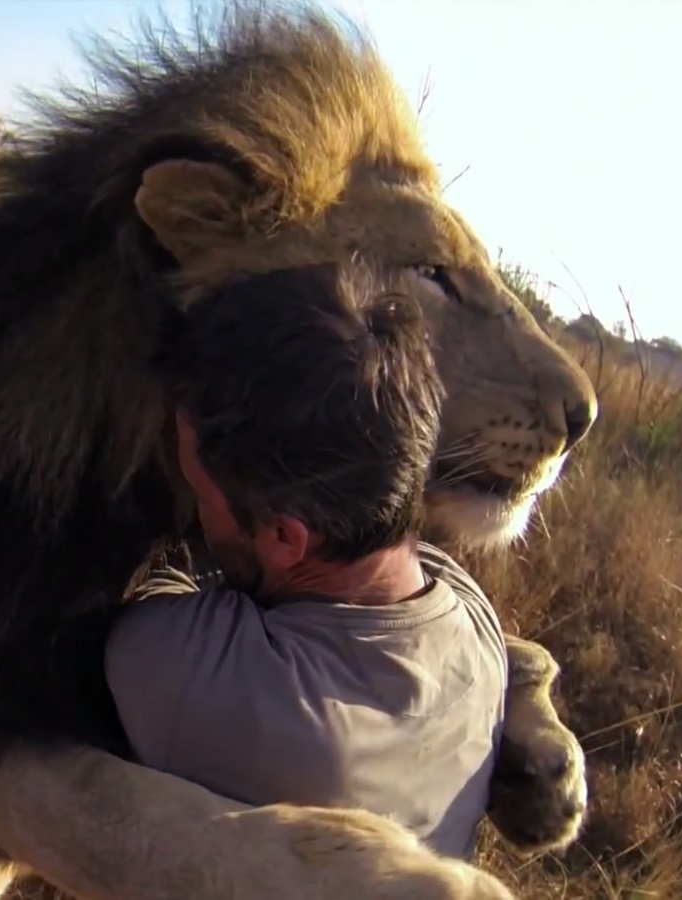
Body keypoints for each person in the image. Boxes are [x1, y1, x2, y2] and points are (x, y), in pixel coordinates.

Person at [105, 260, 509, 860]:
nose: (194, 502)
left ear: (286, 539)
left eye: (198, 487)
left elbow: (147, 604)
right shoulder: (473, 624)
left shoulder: (196, 676)